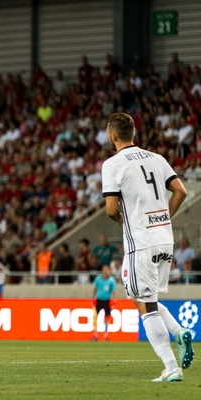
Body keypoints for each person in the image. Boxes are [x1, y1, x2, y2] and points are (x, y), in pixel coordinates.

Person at [102, 112, 193, 382]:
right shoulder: (157, 158)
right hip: (164, 239)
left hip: (140, 242)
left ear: (113, 136)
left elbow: (109, 210)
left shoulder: (112, 164)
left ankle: (171, 367)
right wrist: (163, 219)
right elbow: (181, 192)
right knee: (145, 297)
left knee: (145, 305)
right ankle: (178, 333)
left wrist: (124, 221)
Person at [91, 265, 117, 342]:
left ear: (109, 271)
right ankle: (95, 336)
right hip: (98, 300)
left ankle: (105, 336)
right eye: (104, 270)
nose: (105, 271)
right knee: (95, 317)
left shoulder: (111, 280)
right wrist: (92, 298)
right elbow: (94, 288)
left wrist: (114, 301)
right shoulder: (98, 278)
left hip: (106, 301)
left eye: (107, 270)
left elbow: (114, 291)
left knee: (106, 318)